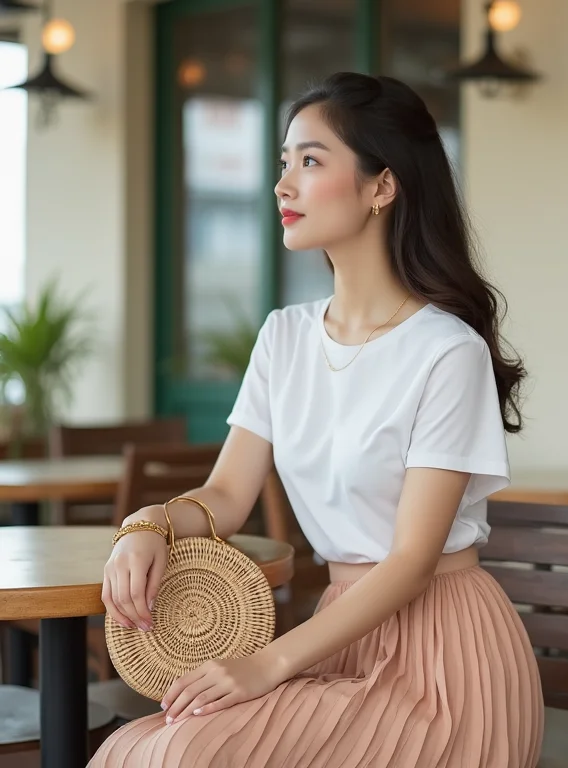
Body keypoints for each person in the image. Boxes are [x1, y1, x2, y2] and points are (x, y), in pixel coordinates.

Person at [89, 72, 544, 768]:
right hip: (338, 638)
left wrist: (266, 665)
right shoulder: (284, 336)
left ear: (381, 187)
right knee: (134, 746)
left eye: (310, 160)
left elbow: (412, 562)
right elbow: (227, 495)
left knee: (178, 755)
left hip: (445, 667)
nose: (283, 185)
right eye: (284, 162)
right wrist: (147, 524)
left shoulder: (447, 351)